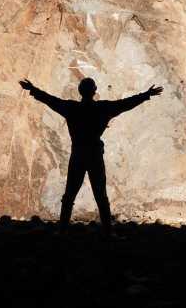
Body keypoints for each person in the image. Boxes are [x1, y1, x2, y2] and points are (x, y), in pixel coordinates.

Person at [19, 76, 162, 234]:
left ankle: (62, 231)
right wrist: (146, 94)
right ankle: (108, 232)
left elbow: (50, 100)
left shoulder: (71, 108)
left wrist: (33, 89)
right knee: (101, 196)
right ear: (95, 91)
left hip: (78, 155)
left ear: (79, 91)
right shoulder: (103, 108)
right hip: (94, 155)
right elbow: (126, 104)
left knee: (69, 196)